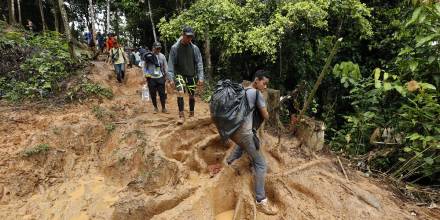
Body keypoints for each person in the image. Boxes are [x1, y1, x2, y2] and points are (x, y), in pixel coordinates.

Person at [224, 70, 278, 215]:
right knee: (261, 164)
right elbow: (265, 115)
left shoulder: (243, 90)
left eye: (266, 84)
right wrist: (267, 110)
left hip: (234, 132)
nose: (265, 87)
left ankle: (227, 164)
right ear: (257, 80)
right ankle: (261, 200)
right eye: (264, 83)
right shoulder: (257, 94)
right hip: (246, 133)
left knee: (241, 146)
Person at [168, 26, 204, 124]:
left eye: (191, 37)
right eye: (187, 36)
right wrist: (171, 79)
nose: (189, 39)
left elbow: (199, 63)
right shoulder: (175, 48)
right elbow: (171, 64)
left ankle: (191, 114)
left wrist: (201, 77)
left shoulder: (194, 48)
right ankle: (181, 115)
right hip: (179, 74)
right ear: (182, 35)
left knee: (192, 95)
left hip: (191, 74)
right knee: (180, 92)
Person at [143, 42, 168, 113]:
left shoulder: (162, 56)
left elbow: (165, 66)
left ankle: (163, 108)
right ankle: (155, 107)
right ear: (153, 48)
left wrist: (166, 76)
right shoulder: (148, 56)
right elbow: (145, 66)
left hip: (160, 77)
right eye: (157, 48)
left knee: (162, 94)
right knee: (153, 94)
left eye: (159, 48)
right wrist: (145, 75)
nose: (158, 50)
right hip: (151, 78)